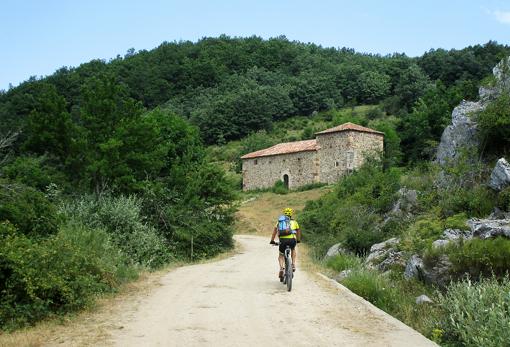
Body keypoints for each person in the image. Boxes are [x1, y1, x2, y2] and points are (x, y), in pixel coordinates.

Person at [270, 207, 301, 279]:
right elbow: (298, 231)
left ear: (284, 214)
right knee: (293, 249)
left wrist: (272, 240)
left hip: (283, 241)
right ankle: (293, 264)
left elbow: (274, 232)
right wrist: (298, 240)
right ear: (291, 214)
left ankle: (281, 268)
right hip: (292, 240)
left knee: (281, 255)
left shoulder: (279, 222)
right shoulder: (294, 222)